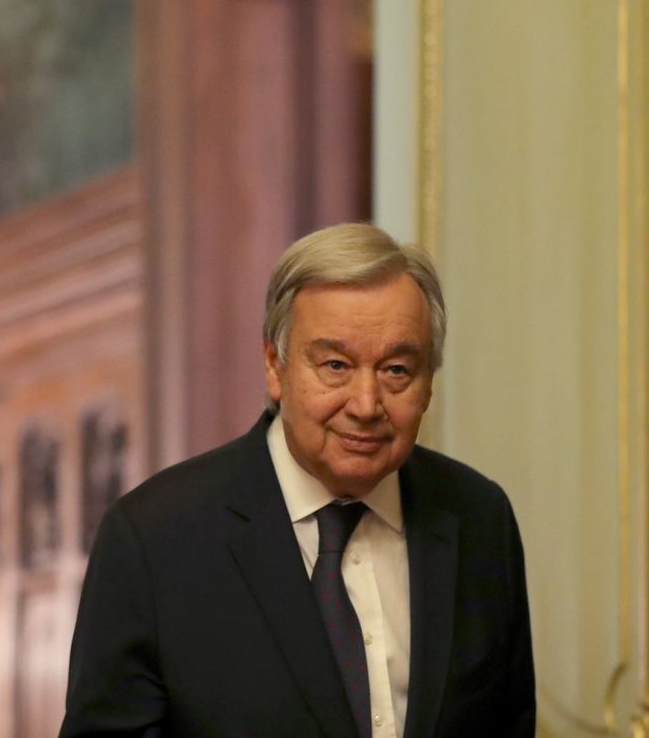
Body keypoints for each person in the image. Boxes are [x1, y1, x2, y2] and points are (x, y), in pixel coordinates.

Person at [60, 223, 535, 737]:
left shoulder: (479, 519)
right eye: (335, 365)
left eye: (397, 370)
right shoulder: (154, 539)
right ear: (274, 366)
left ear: (428, 383)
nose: (367, 404)